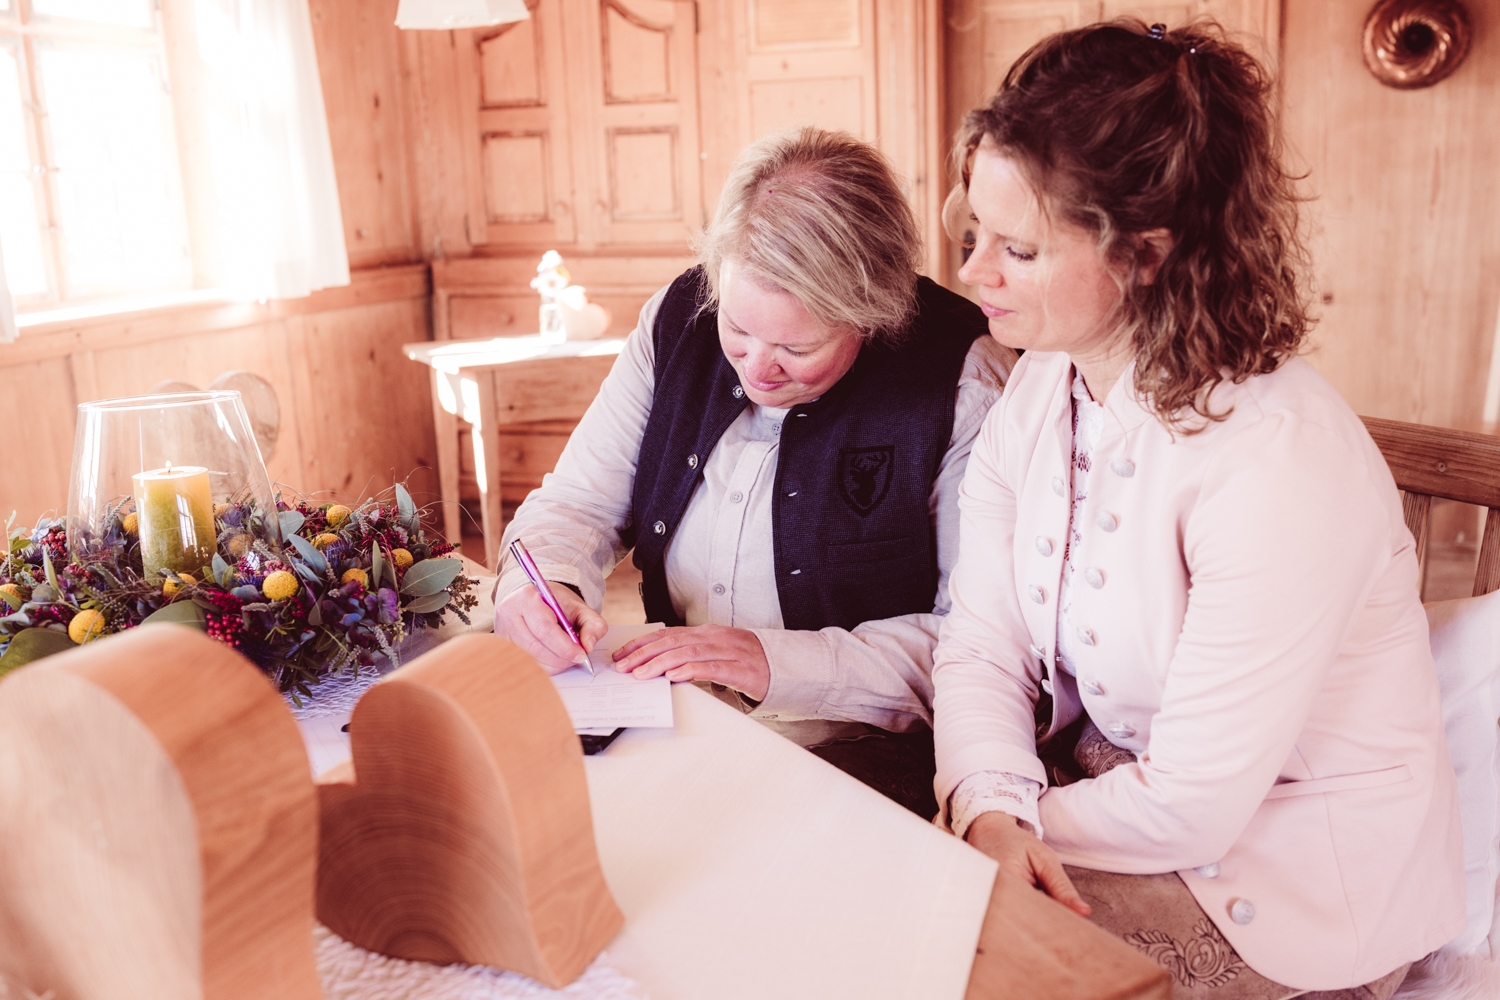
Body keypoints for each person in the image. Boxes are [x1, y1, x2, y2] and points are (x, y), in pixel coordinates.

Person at [932, 19, 1464, 998]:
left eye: (1017, 248)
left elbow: (1190, 807)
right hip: (1098, 810)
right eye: (975, 236)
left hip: (1288, 892)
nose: (972, 274)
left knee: (936, 955)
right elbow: (980, 646)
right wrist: (989, 807)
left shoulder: (1277, 460)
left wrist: (1008, 822)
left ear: (1143, 254)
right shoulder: (1038, 387)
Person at [493, 127, 1016, 815]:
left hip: (864, 752)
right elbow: (577, 503)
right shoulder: (677, 319)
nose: (755, 369)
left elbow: (980, 645)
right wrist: (545, 584)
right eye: (738, 330)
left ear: (873, 311)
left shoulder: (961, 377)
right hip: (675, 717)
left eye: (797, 347)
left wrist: (772, 662)